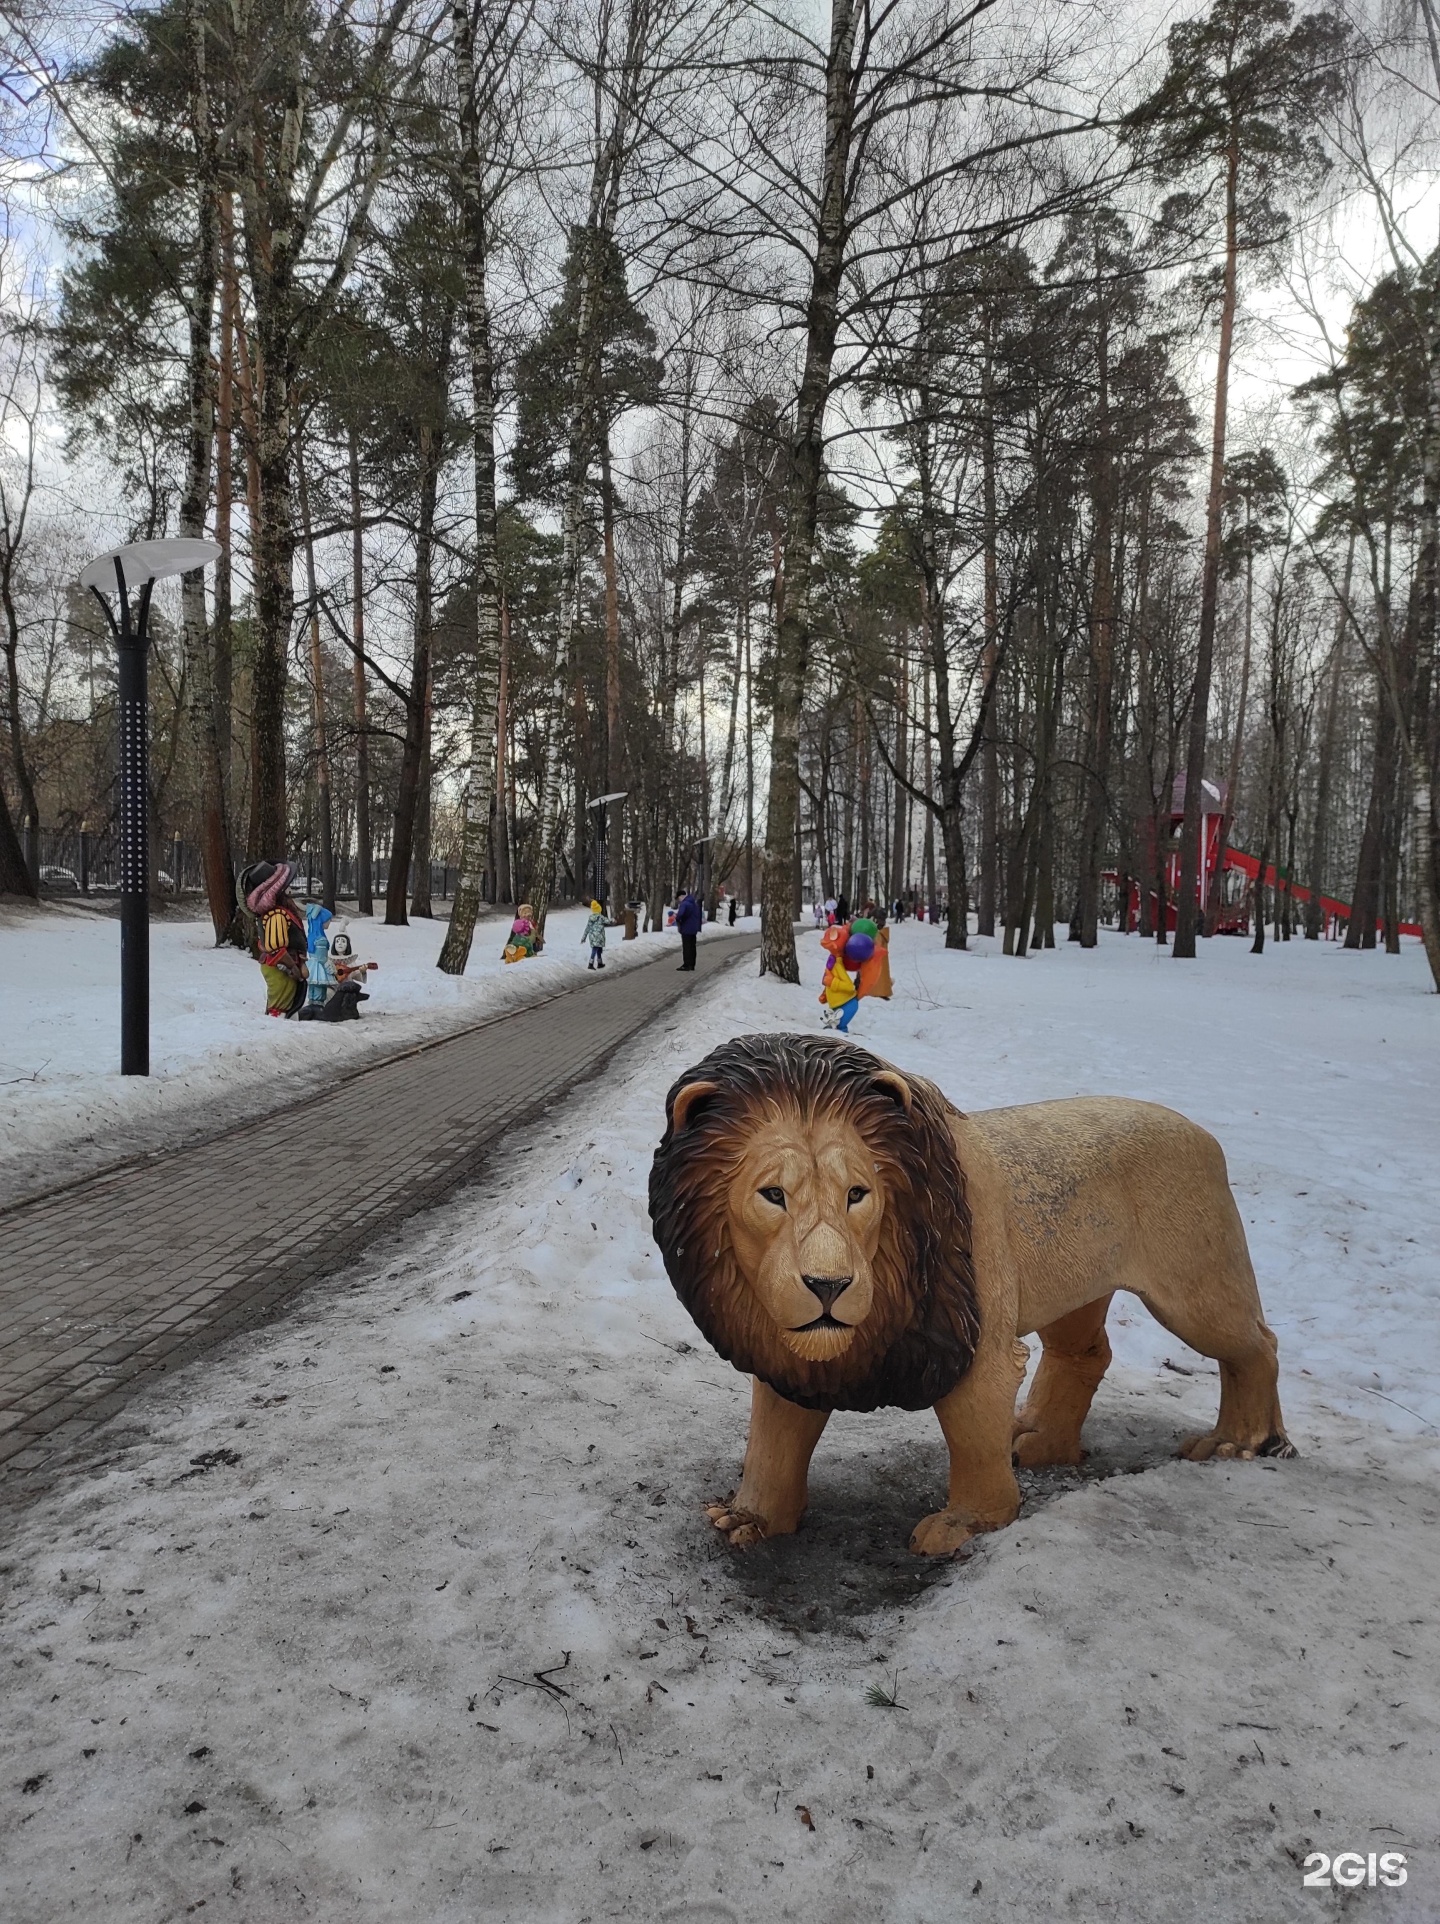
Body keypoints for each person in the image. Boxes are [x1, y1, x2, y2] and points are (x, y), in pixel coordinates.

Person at [240, 861, 363, 1021]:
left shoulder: (280, 912)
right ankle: (277, 1033)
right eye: (285, 888)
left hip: (285, 966)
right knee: (279, 1009)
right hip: (280, 968)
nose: (289, 891)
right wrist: (292, 966)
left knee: (287, 1006)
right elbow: (276, 947)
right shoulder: (276, 915)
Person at [674, 885, 703, 971]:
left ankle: (686, 964)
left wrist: (678, 919)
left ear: (681, 896)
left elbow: (680, 915)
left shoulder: (685, 904)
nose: (678, 900)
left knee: (686, 947)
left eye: (678, 898)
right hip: (693, 928)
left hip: (686, 928)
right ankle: (692, 964)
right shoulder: (694, 903)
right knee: (692, 946)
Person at [582, 899, 607, 969]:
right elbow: (607, 921)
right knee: (595, 949)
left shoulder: (590, 918)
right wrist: (613, 921)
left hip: (592, 936)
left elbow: (587, 928)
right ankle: (590, 963)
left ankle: (600, 963)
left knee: (598, 948)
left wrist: (584, 937)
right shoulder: (601, 917)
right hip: (599, 936)